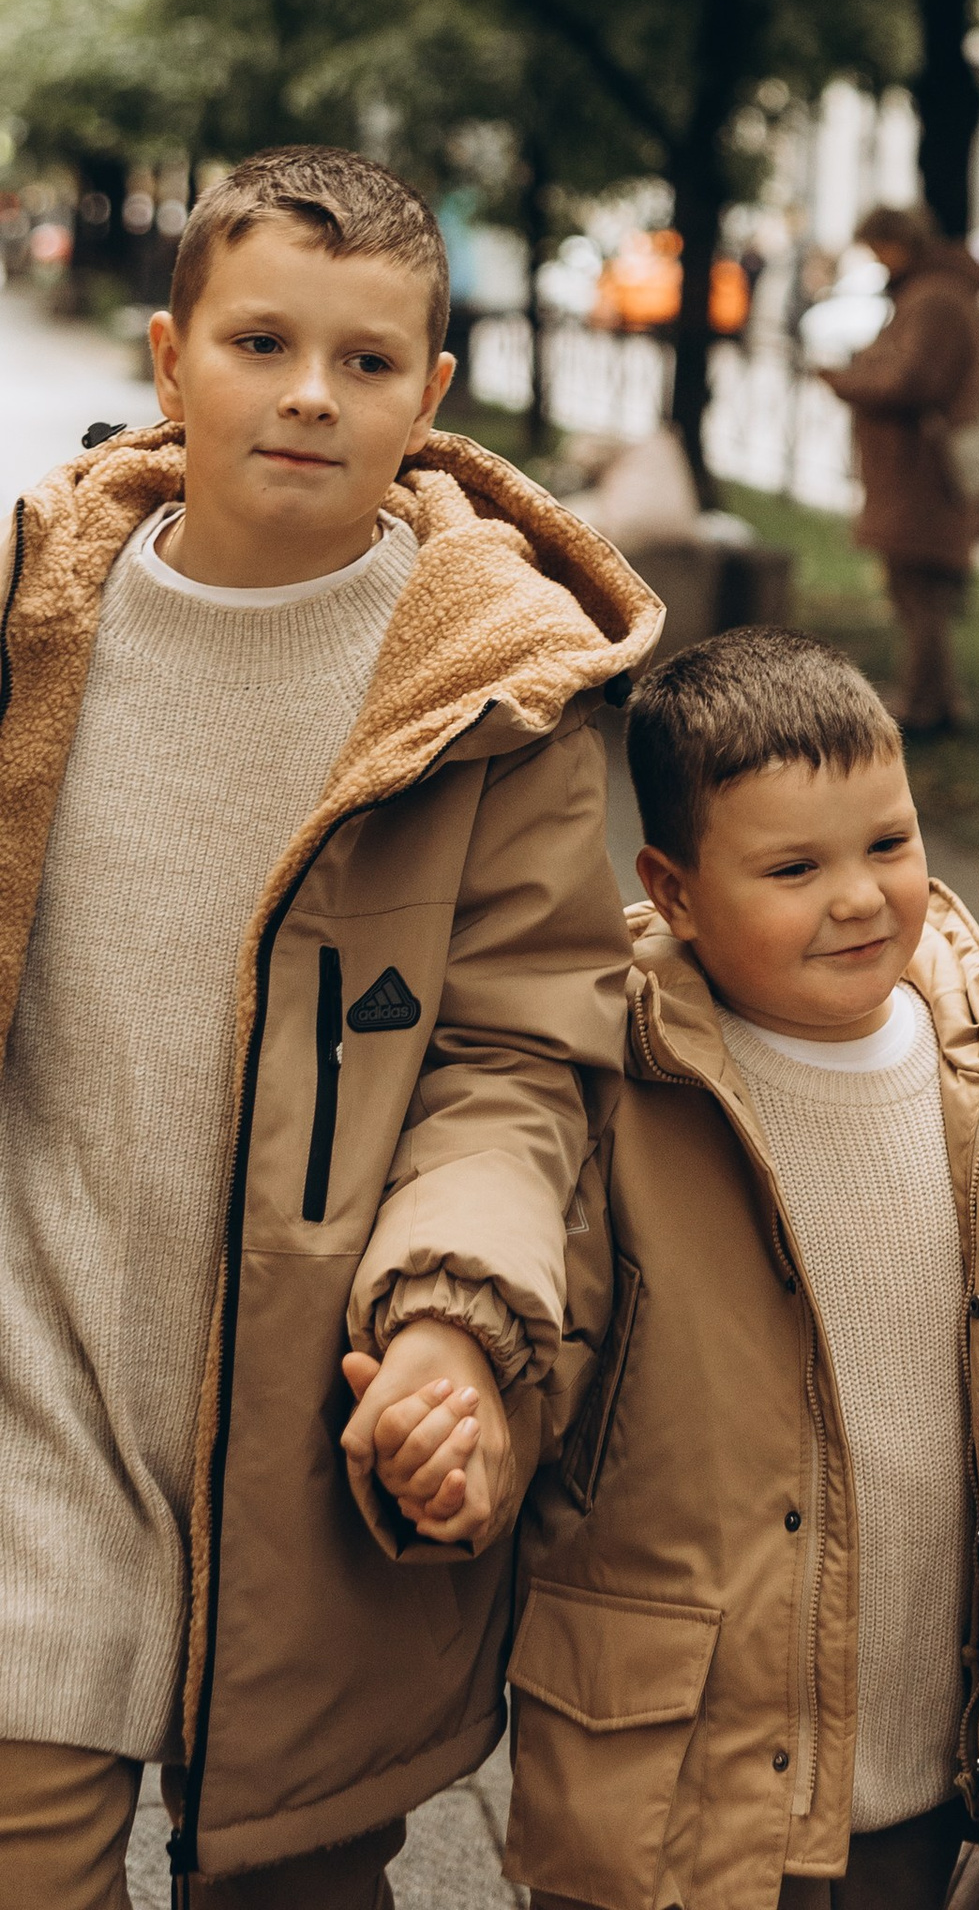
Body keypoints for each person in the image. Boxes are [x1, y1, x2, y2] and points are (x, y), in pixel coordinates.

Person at [0, 143, 660, 1910]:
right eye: (259, 345)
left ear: (432, 396)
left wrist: (458, 1321)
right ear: (167, 359)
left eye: (366, 364)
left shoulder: (493, 698)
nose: (308, 397)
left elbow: (518, 1068)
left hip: (312, 1439)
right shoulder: (31, 623)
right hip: (32, 1419)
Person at [504, 633, 979, 1910]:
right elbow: (542, 1340)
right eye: (794, 868)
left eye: (890, 846)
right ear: (673, 892)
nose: (858, 898)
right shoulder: (621, 1079)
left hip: (919, 1771)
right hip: (670, 1775)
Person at [823, 206, 979, 736]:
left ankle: (925, 705)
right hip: (918, 471)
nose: (876, 262)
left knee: (919, 593)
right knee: (916, 592)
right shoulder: (932, 293)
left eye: (878, 249)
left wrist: (846, 380)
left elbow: (911, 380)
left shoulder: (933, 298)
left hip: (922, 474)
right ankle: (933, 699)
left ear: (899, 243)